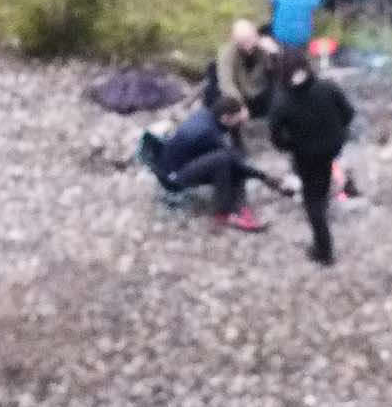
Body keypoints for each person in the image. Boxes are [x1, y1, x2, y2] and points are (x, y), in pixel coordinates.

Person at [269, 56, 357, 267]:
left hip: (306, 156)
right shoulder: (327, 87)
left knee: (312, 201)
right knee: (323, 186)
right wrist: (338, 132)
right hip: (331, 149)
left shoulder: (283, 101)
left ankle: (324, 250)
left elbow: (276, 137)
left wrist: (291, 146)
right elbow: (349, 113)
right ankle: (324, 221)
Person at [144, 99, 269, 232]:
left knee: (228, 161)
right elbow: (235, 160)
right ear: (226, 118)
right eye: (238, 121)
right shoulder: (209, 133)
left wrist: (236, 129)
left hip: (178, 163)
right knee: (224, 161)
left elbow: (237, 154)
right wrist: (266, 178)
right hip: (173, 177)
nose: (240, 124)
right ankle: (224, 212)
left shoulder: (206, 115)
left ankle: (241, 207)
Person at [212, 17, 282, 120]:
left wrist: (274, 54)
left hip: (264, 90)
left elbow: (281, 70)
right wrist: (239, 105)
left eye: (250, 39)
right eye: (243, 42)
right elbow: (226, 82)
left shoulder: (266, 45)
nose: (248, 46)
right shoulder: (227, 54)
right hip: (243, 94)